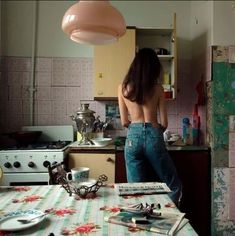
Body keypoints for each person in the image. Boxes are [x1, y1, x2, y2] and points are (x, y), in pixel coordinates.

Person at [118, 48, 182, 205]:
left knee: (135, 190)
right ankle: (166, 218)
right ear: (154, 68)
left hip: (133, 137)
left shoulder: (122, 88)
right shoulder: (158, 89)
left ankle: (139, 223)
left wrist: (136, 129)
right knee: (173, 185)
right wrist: (154, 132)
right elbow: (165, 123)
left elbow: (124, 122)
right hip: (154, 135)